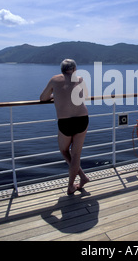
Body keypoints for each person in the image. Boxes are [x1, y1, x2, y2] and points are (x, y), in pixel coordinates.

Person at [40, 59, 90, 195]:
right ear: (74, 69)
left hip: (66, 121)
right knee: (76, 155)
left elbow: (43, 98)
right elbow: (84, 95)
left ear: (62, 69)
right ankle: (82, 178)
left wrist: (54, 95)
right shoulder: (80, 79)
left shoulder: (54, 79)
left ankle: (71, 186)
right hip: (82, 118)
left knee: (64, 150)